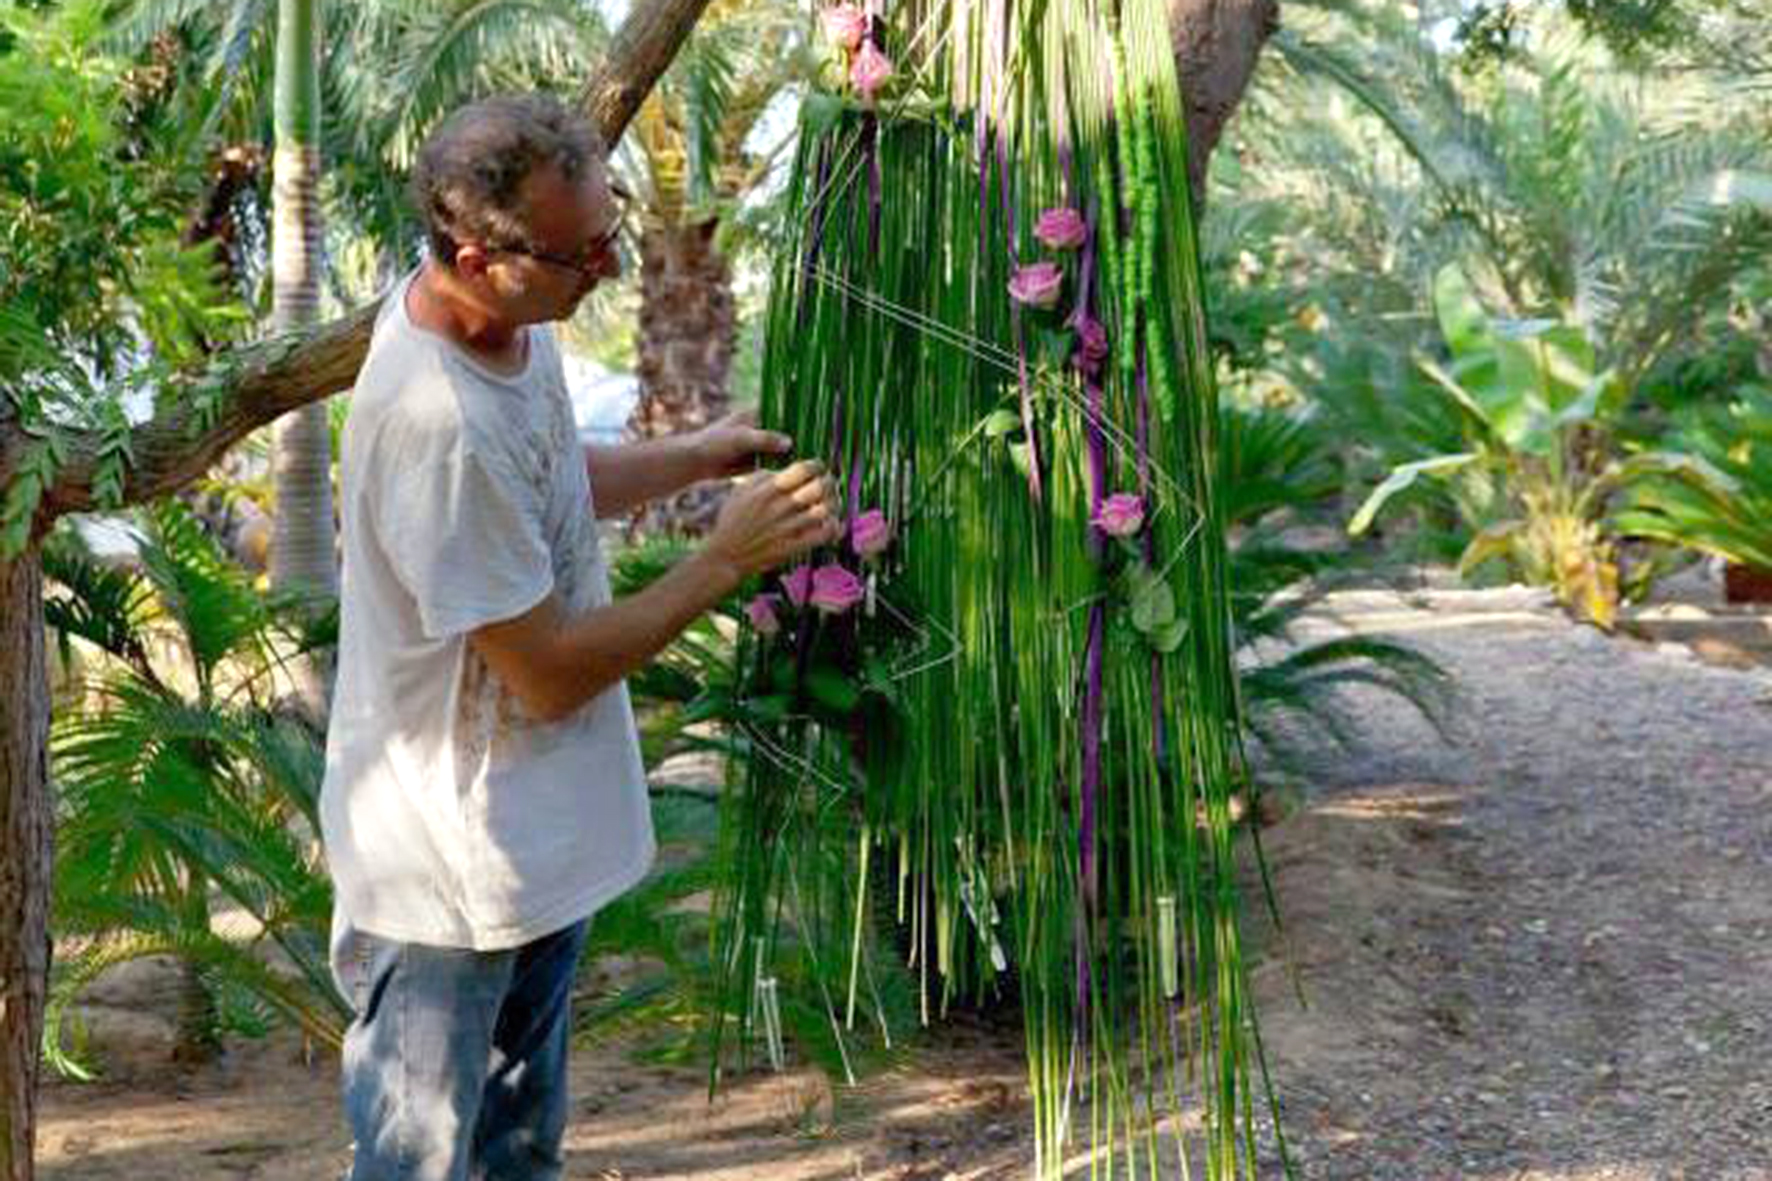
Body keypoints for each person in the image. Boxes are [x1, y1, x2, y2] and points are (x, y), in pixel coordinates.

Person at [319, 92, 839, 1181]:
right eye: (578, 254)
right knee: (421, 1165)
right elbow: (547, 672)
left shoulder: (506, 324)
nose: (602, 268)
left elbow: (549, 471)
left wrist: (698, 456)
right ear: (477, 253)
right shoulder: (435, 425)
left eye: (606, 235)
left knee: (519, 1155)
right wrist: (721, 562)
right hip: (446, 886)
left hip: (531, 849)